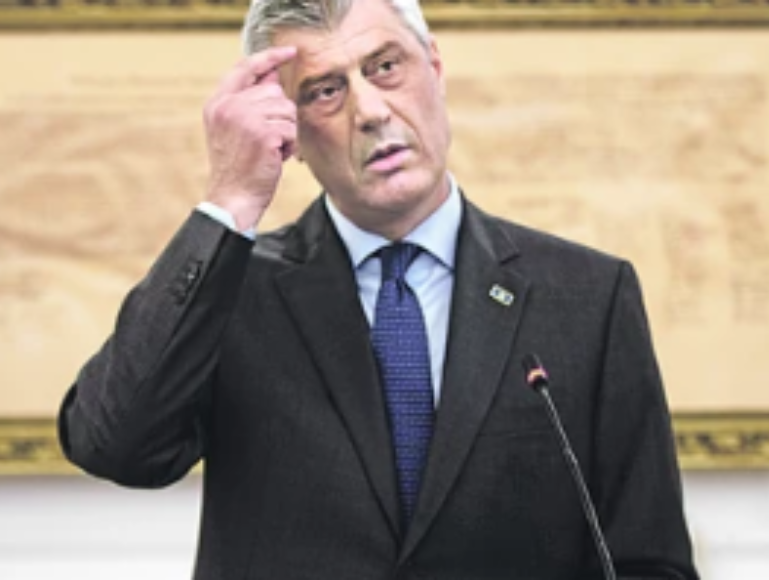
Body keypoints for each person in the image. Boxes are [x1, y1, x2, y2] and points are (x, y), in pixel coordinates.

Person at [57, 0, 699, 577]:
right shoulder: (235, 294)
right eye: (324, 91)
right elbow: (113, 446)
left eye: (386, 67)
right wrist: (229, 199)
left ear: (435, 68)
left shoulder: (588, 296)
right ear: (289, 133)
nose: (369, 111)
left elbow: (650, 561)